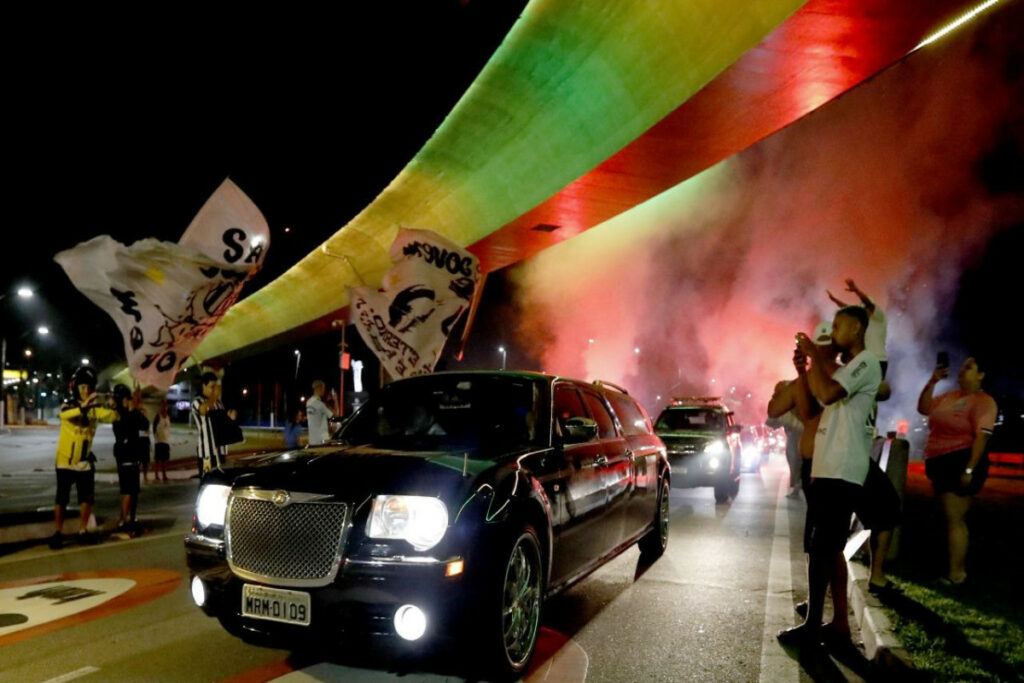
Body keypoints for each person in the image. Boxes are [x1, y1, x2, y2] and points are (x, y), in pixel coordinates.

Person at [778, 306, 881, 652]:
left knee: (822, 546)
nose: (833, 332)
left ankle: (812, 626)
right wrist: (804, 370)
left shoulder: (865, 362)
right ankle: (838, 625)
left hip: (842, 469)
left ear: (856, 328)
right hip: (827, 468)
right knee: (828, 547)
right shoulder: (845, 368)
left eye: (838, 326)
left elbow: (829, 394)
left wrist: (814, 355)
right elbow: (810, 410)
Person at [917, 355, 997, 586]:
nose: (962, 370)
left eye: (969, 367)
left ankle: (957, 573)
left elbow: (982, 437)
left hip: (959, 460)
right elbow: (923, 408)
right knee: (947, 516)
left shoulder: (983, 401)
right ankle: (949, 567)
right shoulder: (950, 396)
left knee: (954, 518)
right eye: (962, 366)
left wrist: (969, 469)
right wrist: (932, 381)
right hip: (940, 462)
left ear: (981, 375)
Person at [51, 366, 118, 549]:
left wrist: (114, 405)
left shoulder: (94, 410)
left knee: (86, 498)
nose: (85, 390)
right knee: (61, 499)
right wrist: (83, 406)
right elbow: (64, 415)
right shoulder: (69, 405)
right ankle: (57, 532)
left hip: (84, 461)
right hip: (65, 461)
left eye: (88, 387)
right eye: (82, 387)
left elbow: (111, 416)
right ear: (75, 388)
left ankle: (83, 530)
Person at [828, 278, 891, 400]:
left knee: (871, 394)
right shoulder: (862, 322)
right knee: (860, 393)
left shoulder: (879, 317)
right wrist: (835, 301)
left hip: (878, 360)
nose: (863, 311)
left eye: (866, 308)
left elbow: (867, 303)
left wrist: (856, 290)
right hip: (864, 358)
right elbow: (848, 310)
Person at [112, 384, 147, 532]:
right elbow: (142, 424)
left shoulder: (126, 413)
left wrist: (136, 410)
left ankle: (131, 518)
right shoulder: (121, 415)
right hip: (126, 456)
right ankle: (123, 520)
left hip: (131, 455)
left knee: (133, 491)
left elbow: (144, 424)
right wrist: (135, 410)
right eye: (127, 398)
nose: (129, 401)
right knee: (128, 490)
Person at [766, 379, 804, 498]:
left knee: (800, 464)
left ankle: (799, 486)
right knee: (794, 464)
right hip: (793, 441)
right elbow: (771, 421)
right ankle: (797, 487)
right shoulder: (785, 409)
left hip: (804, 440)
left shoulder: (801, 403)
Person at [192, 371, 227, 473]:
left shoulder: (219, 403)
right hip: (206, 452)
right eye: (212, 387)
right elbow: (203, 410)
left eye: (216, 387)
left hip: (221, 451)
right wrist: (214, 396)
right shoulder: (197, 401)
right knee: (207, 480)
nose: (215, 390)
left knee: (221, 481)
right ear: (204, 386)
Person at [305, 379, 335, 445]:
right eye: (323, 388)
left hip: (312, 440)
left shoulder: (308, 403)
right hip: (322, 440)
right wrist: (335, 400)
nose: (324, 391)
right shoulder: (320, 404)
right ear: (319, 388)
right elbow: (334, 415)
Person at [133, 387, 152, 483]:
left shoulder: (143, 411)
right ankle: (137, 476)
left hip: (145, 439)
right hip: (139, 439)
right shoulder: (135, 411)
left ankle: (145, 476)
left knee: (145, 460)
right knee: (137, 460)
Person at [152, 400, 172, 482]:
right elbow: (154, 427)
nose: (164, 408)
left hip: (165, 441)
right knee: (157, 460)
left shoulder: (168, 417)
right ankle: (156, 475)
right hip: (158, 441)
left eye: (166, 406)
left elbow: (168, 428)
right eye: (163, 406)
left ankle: (164, 475)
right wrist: (156, 437)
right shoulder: (158, 416)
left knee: (164, 460)